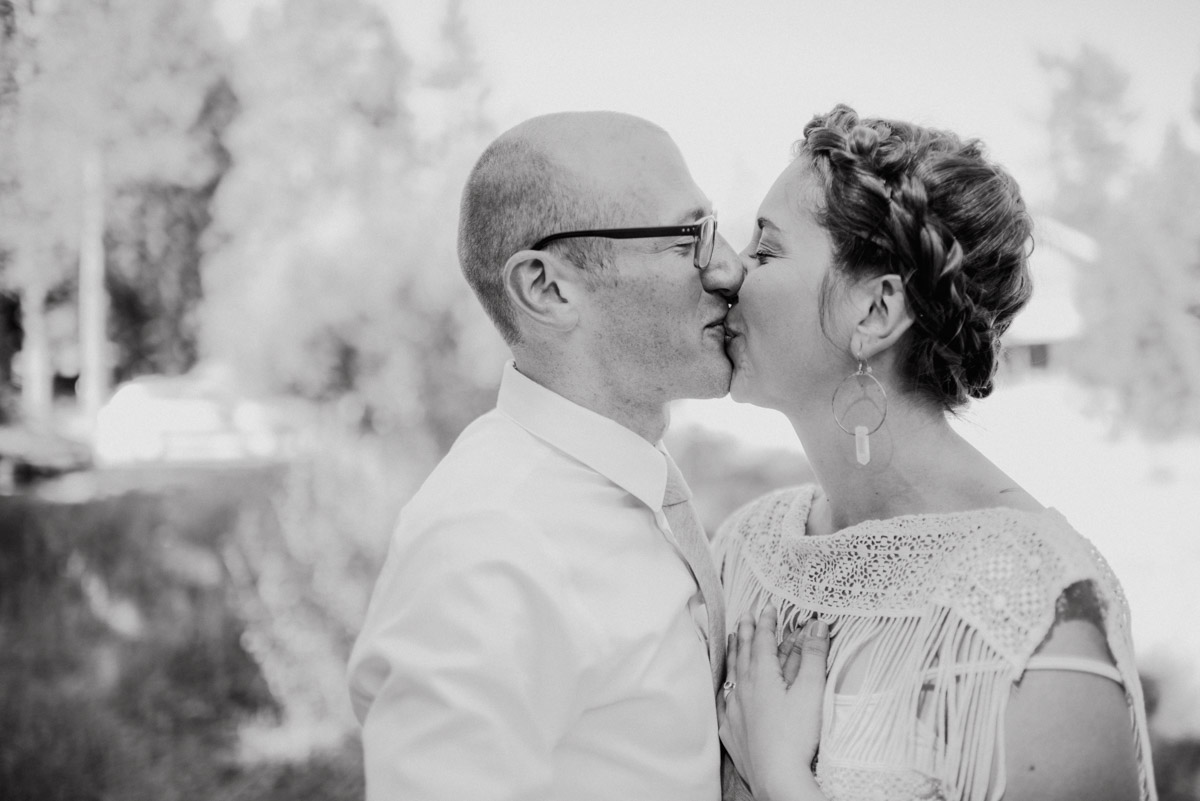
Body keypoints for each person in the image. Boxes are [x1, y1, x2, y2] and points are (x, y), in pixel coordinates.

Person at [714, 105, 1156, 801]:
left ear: (874, 312)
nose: (726, 274)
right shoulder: (745, 552)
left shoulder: (1033, 618)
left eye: (765, 250)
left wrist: (778, 778)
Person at [347, 111, 748, 800]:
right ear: (548, 287)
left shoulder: (632, 483)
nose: (727, 266)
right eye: (691, 237)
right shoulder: (485, 546)